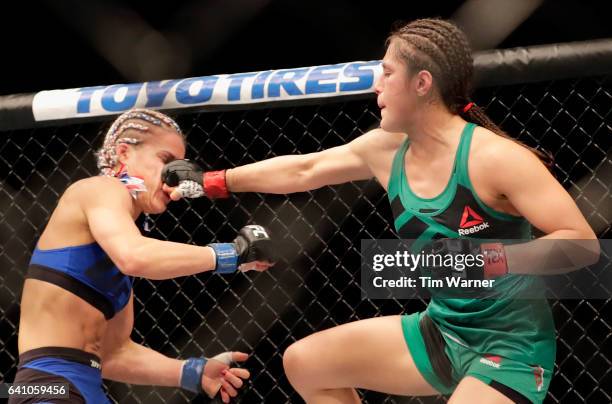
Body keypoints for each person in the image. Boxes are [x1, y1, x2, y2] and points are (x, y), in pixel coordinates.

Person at [162, 19, 598, 404]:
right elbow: (305, 168)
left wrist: (490, 259)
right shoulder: (386, 150)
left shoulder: (494, 158)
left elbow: (581, 244)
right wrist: (213, 181)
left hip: (510, 347)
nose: (376, 85)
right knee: (305, 362)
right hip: (440, 333)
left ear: (422, 83)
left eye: (387, 73)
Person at [11, 108, 275, 404]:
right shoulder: (100, 189)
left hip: (86, 386)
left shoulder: (119, 245)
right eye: (165, 160)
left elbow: (113, 354)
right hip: (47, 386)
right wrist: (231, 254)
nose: (174, 177)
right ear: (124, 153)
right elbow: (136, 256)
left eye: (180, 165)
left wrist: (192, 372)